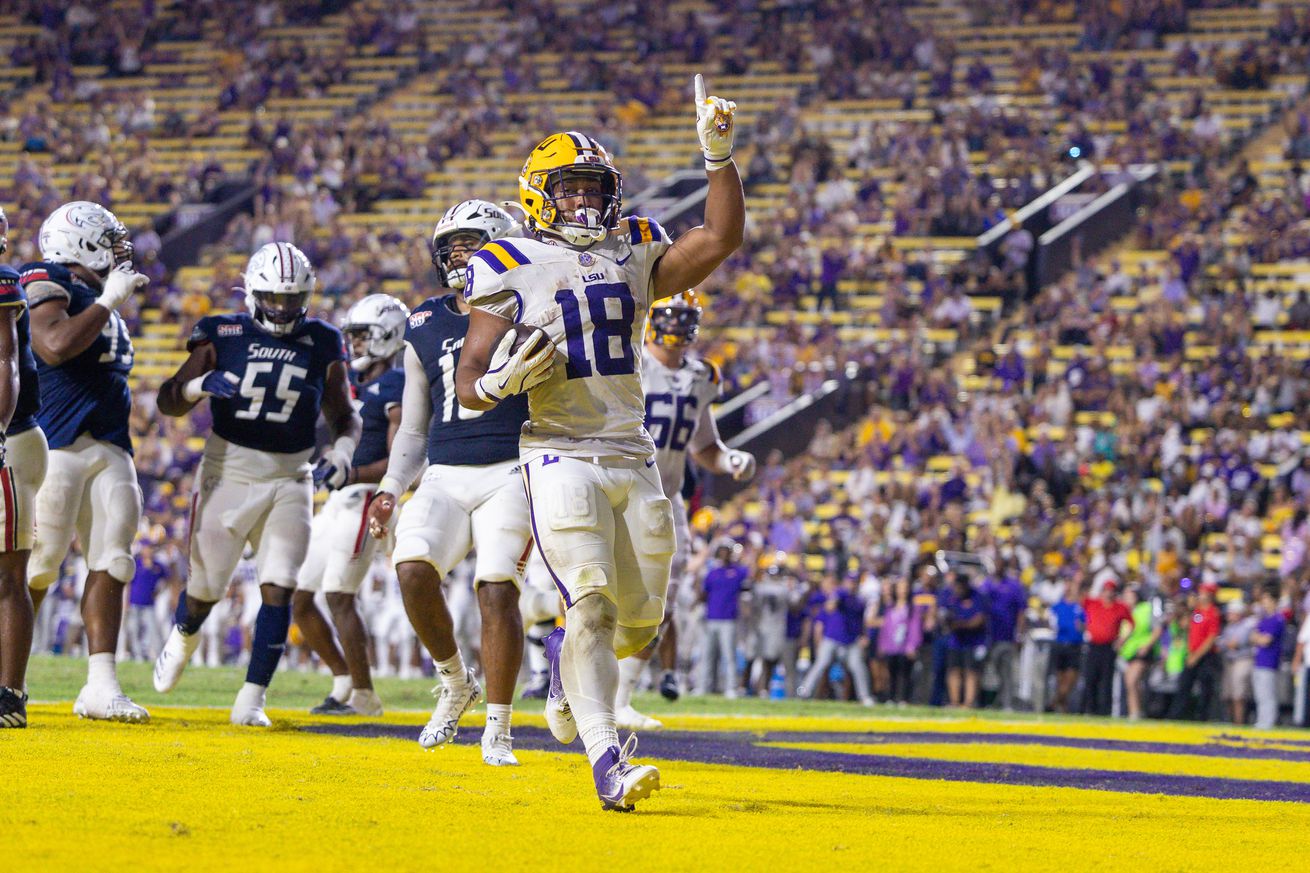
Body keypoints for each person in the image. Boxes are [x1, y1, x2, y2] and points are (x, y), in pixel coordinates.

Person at [454, 74, 744, 811]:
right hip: (555, 448)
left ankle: (562, 672)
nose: (584, 202)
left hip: (632, 450)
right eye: (570, 189)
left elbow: (720, 237)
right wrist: (496, 385)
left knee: (639, 621)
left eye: (593, 188)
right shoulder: (504, 261)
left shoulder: (637, 244)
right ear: (538, 194)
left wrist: (718, 158)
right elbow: (467, 379)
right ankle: (606, 760)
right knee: (589, 602)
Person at [152, 242, 361, 726]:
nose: (283, 308)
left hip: (291, 475)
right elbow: (167, 401)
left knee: (281, 585)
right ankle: (185, 632)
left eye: (292, 299)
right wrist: (197, 387)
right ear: (252, 292)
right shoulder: (221, 332)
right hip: (229, 471)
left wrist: (343, 452)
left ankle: (252, 698)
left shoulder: (324, 340)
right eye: (274, 297)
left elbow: (344, 416)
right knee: (205, 590)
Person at [364, 199, 534, 767]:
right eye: (452, 249)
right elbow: (414, 423)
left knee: (495, 587)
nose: (459, 257)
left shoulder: (533, 306)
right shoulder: (425, 320)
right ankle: (456, 681)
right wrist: (391, 485)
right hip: (443, 469)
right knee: (412, 570)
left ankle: (500, 729)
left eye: (471, 244)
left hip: (511, 467)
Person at [21, 201, 148, 722]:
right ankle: (9, 678)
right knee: (39, 563)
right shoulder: (45, 280)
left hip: (110, 443)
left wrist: (107, 299)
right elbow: (52, 344)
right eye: (109, 239)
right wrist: (108, 301)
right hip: (55, 444)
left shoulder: (99, 296)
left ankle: (101, 685)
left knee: (115, 558)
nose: (120, 249)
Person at [614, 290, 755, 729]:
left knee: (662, 602)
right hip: (619, 489)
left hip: (667, 497)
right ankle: (567, 683)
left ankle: (620, 699)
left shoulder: (700, 376)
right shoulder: (630, 361)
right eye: (669, 316)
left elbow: (705, 446)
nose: (676, 326)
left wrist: (729, 459)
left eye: (685, 318)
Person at [293, 293, 408, 717]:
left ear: (387, 336)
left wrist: (354, 475)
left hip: (367, 497)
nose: (355, 345)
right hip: (338, 499)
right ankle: (343, 680)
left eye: (362, 337)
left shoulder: (397, 384)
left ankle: (364, 695)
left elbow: (400, 459)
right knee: (297, 598)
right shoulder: (351, 384)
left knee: (339, 594)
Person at [0, 207, 46, 728]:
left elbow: (5, 359)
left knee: (8, 576)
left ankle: (10, 694)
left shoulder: (3, 282)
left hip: (10, 438)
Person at [799, 570, 874, 705]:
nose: (852, 585)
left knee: (857, 667)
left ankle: (865, 697)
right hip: (832, 638)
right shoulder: (841, 593)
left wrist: (864, 635)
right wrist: (834, 601)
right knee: (821, 664)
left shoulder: (859, 601)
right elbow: (830, 606)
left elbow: (861, 621)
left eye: (854, 582)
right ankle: (805, 691)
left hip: (851, 640)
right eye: (850, 582)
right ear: (845, 582)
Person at [696, 539, 751, 697]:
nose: (724, 553)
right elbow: (703, 595)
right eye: (722, 550)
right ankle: (703, 686)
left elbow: (749, 580)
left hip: (729, 619)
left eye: (726, 550)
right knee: (707, 655)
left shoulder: (738, 571)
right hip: (711, 617)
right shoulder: (712, 572)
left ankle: (731, 688)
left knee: (729, 655)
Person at [1168, 580, 1222, 721]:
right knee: (1184, 685)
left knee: (1205, 689)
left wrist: (1196, 656)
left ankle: (1202, 717)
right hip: (1192, 653)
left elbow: (1211, 638)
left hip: (1205, 656)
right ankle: (1176, 716)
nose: (1200, 595)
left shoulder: (1212, 613)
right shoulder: (1197, 611)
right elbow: (1183, 625)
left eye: (1203, 592)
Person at [1082, 578, 1132, 716]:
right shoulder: (1093, 603)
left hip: (1108, 647)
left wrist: (1122, 640)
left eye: (1111, 591)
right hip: (1093, 646)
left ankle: (1104, 711)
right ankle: (1089, 709)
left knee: (1106, 681)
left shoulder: (1120, 607)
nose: (1108, 594)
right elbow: (1079, 603)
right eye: (1106, 591)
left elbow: (1131, 624)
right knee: (1090, 678)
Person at [941, 571, 987, 708]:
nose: (957, 590)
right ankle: (954, 701)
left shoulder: (977, 596)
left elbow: (979, 619)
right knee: (953, 670)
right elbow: (945, 616)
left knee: (971, 672)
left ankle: (968, 703)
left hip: (973, 641)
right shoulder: (951, 597)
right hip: (955, 641)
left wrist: (960, 625)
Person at [877, 576, 925, 706]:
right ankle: (891, 698)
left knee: (905, 673)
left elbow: (915, 628)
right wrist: (882, 644)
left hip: (905, 646)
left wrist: (913, 645)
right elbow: (886, 628)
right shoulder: (891, 607)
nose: (902, 590)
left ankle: (904, 698)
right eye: (900, 587)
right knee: (891, 673)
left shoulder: (912, 608)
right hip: (891, 646)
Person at [983, 564, 1025, 710]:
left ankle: (1006, 703)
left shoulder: (1013, 586)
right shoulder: (986, 583)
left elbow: (1021, 611)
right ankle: (987, 702)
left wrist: (1019, 634)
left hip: (1006, 636)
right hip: (987, 636)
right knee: (988, 671)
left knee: (1006, 672)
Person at [1117, 586, 1155, 720]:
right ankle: (1136, 711)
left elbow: (1157, 628)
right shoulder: (1123, 610)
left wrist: (1148, 645)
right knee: (1131, 683)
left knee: (1132, 680)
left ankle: (1135, 712)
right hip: (1128, 652)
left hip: (1142, 649)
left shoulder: (1146, 609)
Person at [1250, 585, 1285, 729]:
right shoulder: (1264, 619)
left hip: (1269, 661)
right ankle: (1261, 720)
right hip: (1259, 660)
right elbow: (1253, 636)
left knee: (1268, 694)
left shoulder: (1278, 619)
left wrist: (1258, 638)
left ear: (1273, 601)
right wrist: (1259, 638)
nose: (1264, 602)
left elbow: (1266, 640)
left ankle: (1268, 722)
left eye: (1266, 599)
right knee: (1259, 694)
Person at [1048, 580, 1085, 713]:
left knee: (1070, 680)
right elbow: (1051, 623)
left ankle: (1053, 703)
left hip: (1074, 645)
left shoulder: (1080, 607)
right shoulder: (1057, 606)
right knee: (1060, 679)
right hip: (1060, 645)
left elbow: (1084, 626)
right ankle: (1063, 709)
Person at [1219, 598, 1256, 725]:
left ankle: (1239, 723)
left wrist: (1227, 644)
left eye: (1231, 612)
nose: (1228, 615)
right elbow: (1222, 643)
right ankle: (1231, 722)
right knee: (1228, 695)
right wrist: (1227, 644)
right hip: (1229, 661)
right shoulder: (1229, 627)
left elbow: (1235, 643)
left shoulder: (1246, 626)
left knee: (1238, 695)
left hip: (1241, 661)